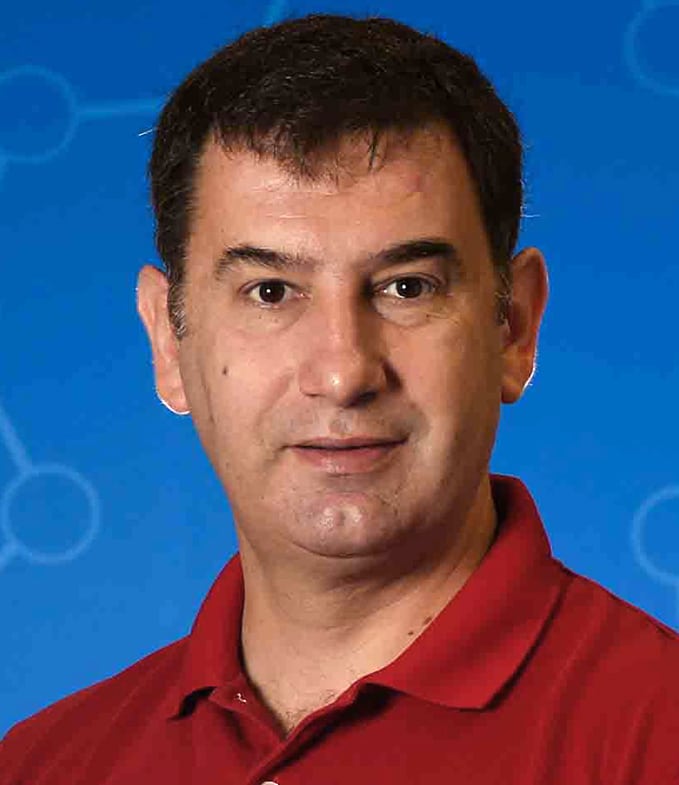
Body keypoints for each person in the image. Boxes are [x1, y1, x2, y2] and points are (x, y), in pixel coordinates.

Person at [2, 13, 677, 785]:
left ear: (514, 327)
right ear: (167, 341)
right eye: (270, 291)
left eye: (406, 287)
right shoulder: (42, 765)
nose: (343, 371)